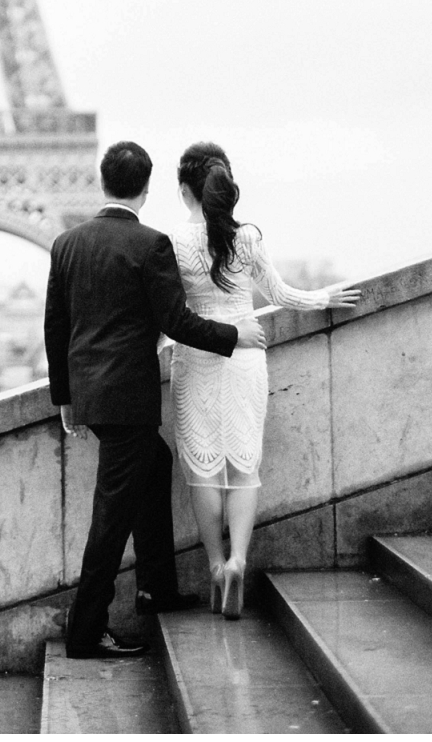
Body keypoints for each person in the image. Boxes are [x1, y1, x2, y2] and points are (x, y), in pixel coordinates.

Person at [44, 140, 267, 660]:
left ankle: (155, 587)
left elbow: (55, 328)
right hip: (128, 396)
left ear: (104, 182)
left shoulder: (66, 244)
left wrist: (64, 398)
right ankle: (86, 630)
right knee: (109, 518)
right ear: (146, 188)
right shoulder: (149, 245)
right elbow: (175, 322)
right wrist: (235, 337)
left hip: (92, 395)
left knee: (156, 461)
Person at [170, 141, 361, 620]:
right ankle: (240, 560)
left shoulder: (173, 243)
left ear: (183, 190)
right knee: (243, 464)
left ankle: (216, 566)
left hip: (196, 356)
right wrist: (324, 297)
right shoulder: (247, 238)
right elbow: (280, 294)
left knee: (203, 468)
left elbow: (166, 316)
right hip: (246, 355)